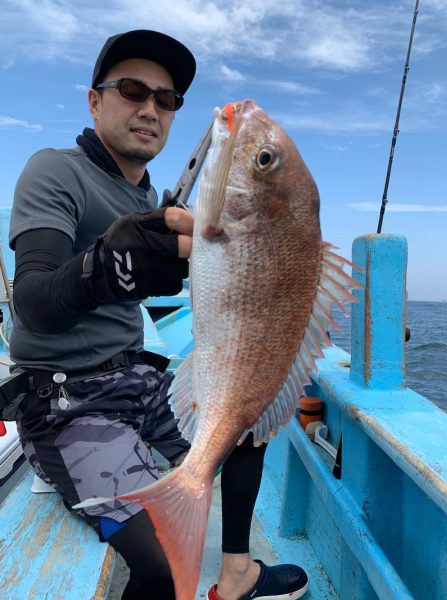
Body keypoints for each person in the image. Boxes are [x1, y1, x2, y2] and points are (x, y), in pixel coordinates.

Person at [8, 29, 309, 600]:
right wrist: (103, 264)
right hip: (67, 402)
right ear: (95, 101)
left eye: (166, 100)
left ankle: (239, 570)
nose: (150, 109)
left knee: (249, 422)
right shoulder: (54, 170)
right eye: (131, 90)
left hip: (139, 380)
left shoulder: (153, 200)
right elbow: (34, 304)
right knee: (168, 566)